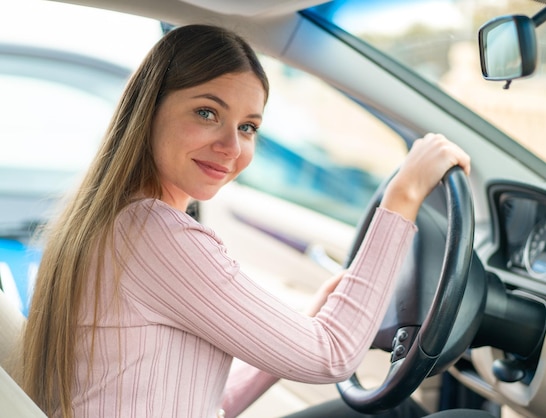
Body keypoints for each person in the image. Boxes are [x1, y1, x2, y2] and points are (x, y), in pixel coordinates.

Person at [19, 24, 481, 418]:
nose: (232, 146)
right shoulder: (157, 235)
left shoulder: (112, 221)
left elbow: (207, 401)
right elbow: (333, 355)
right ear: (148, 112)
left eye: (247, 127)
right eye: (207, 113)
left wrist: (308, 320)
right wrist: (404, 196)